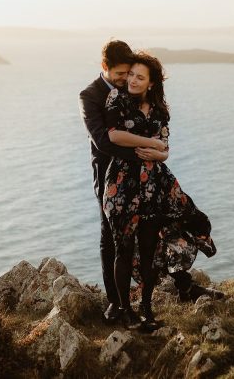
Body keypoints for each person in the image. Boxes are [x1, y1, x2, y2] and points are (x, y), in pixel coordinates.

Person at [103, 51, 221, 331]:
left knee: (147, 248)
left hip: (154, 186)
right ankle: (125, 310)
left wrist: (157, 152)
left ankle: (146, 309)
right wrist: (149, 143)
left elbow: (165, 150)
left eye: (139, 77)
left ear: (151, 83)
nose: (131, 80)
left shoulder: (159, 110)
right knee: (123, 248)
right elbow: (113, 135)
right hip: (122, 185)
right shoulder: (117, 100)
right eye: (130, 74)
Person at [78, 40, 167, 324]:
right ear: (105, 67)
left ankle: (146, 300)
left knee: (148, 235)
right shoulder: (90, 96)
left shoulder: (131, 92)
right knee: (111, 239)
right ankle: (116, 303)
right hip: (108, 176)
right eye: (120, 74)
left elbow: (154, 128)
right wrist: (146, 152)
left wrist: (158, 152)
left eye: (129, 73)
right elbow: (104, 141)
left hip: (143, 178)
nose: (125, 79)